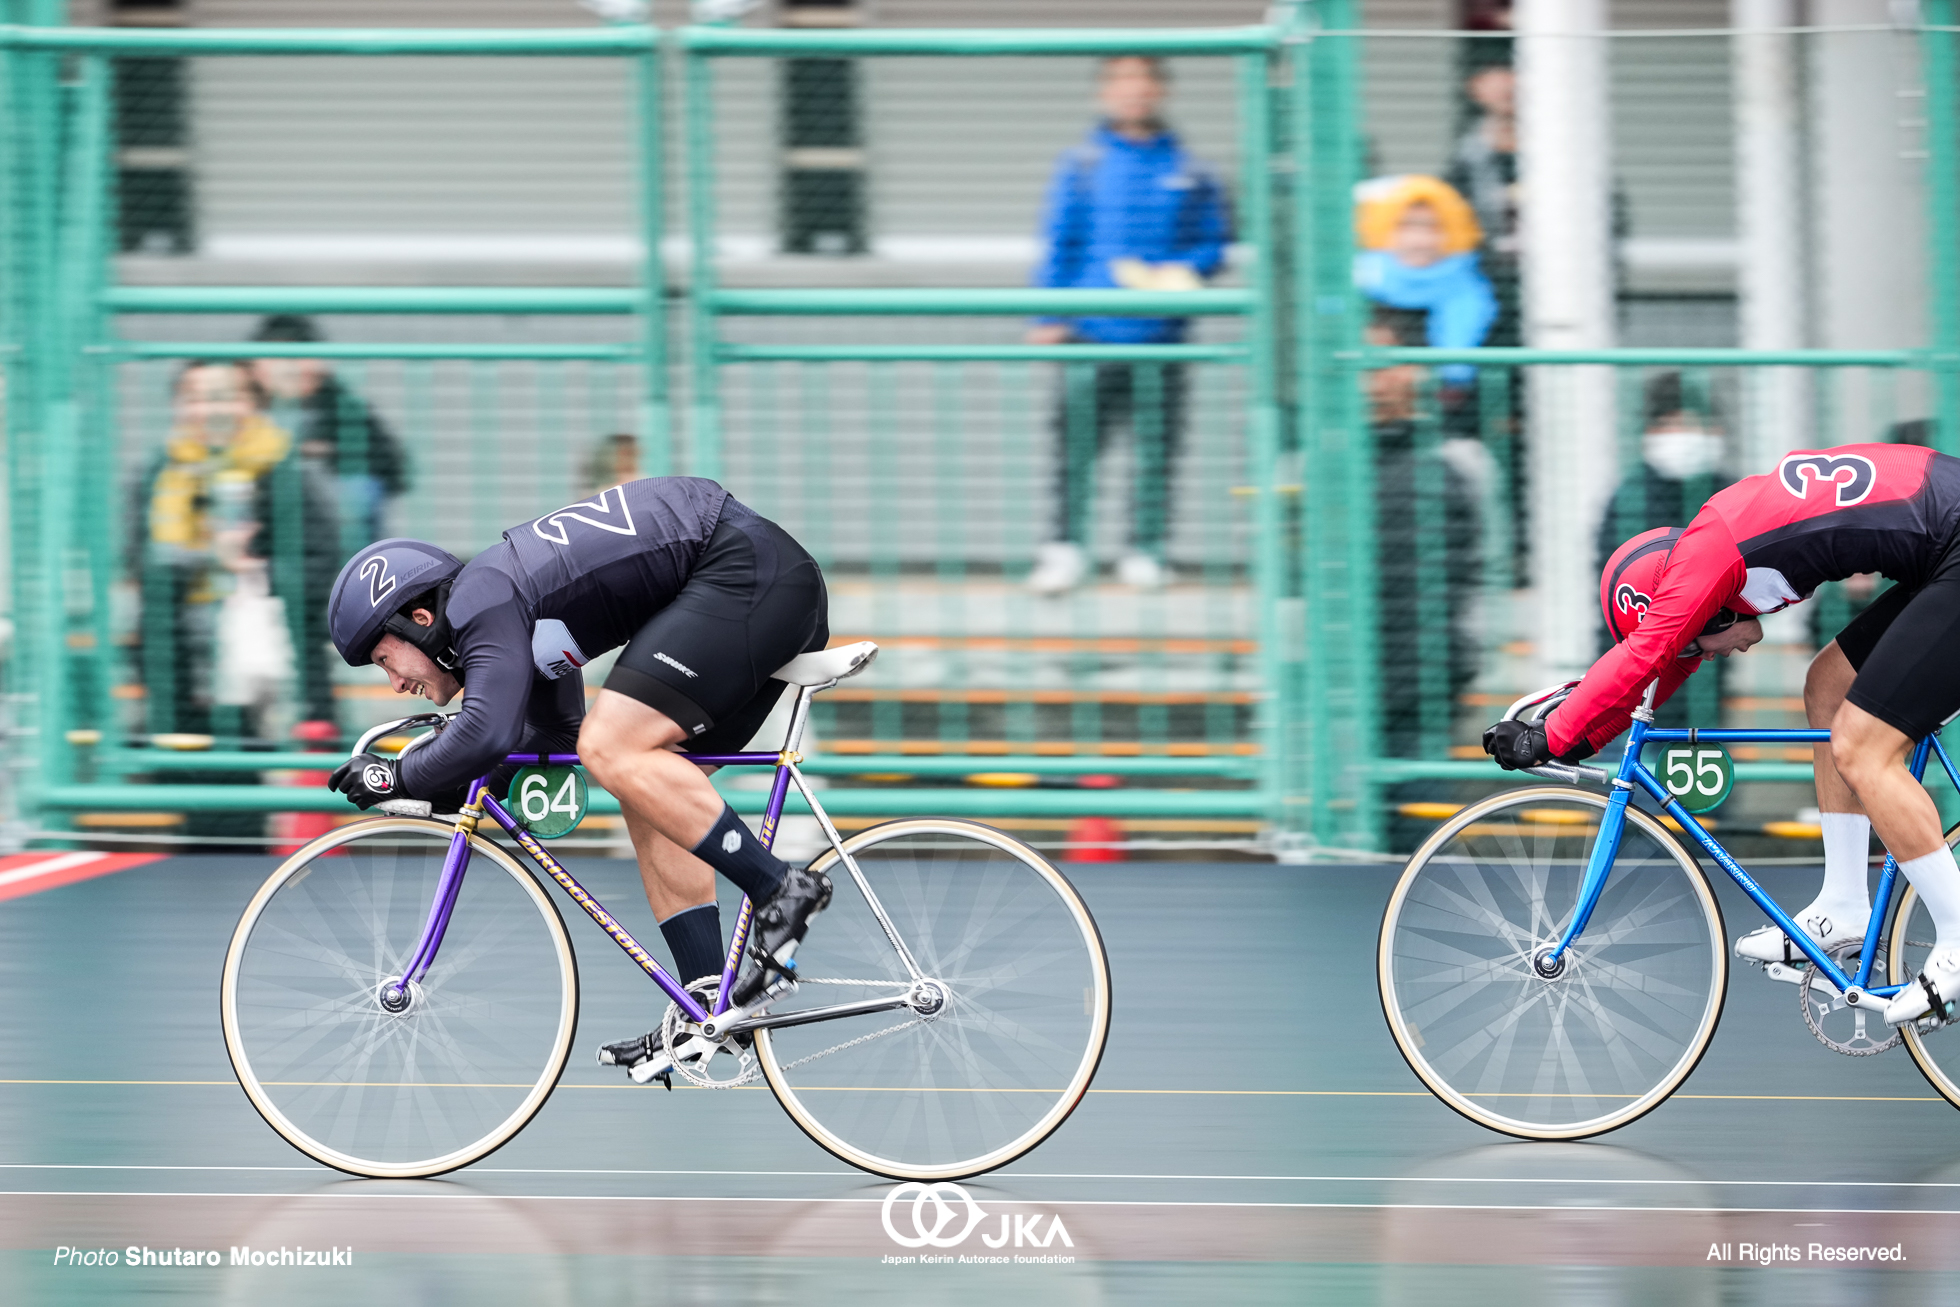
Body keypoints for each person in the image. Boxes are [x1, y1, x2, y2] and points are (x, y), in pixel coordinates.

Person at [321, 478, 834, 1082]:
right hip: (760, 577)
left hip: (744, 567)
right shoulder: (513, 622)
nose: (395, 685)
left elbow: (487, 733)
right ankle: (707, 1006)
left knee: (613, 746)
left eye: (385, 661)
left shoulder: (482, 600)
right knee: (644, 781)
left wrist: (397, 772)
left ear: (420, 619)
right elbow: (552, 739)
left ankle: (780, 889)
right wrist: (439, 779)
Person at [1484, 442, 1960, 1027]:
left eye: (1694, 644)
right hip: (1942, 546)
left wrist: (1548, 737)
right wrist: (1575, 739)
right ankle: (1844, 906)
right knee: (1828, 688)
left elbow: (1647, 653)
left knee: (1863, 746)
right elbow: (1655, 673)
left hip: (1952, 544)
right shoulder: (1708, 569)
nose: (1705, 658)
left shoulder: (1705, 557)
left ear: (1697, 615)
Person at [1024, 54, 1233, 595]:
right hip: (1090, 335)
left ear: (1161, 91)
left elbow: (1214, 244)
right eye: (1121, 82)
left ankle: (1146, 550)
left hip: (1164, 338)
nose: (1133, 92)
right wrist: (1048, 317)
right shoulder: (1083, 164)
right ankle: (1063, 551)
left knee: (1158, 448)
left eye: (1144, 82)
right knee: (1075, 449)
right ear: (1104, 93)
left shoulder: (1192, 169)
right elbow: (1060, 244)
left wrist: (1183, 270)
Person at [137, 359, 339, 739]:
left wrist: (252, 571)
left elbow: (325, 562)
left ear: (254, 403)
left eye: (226, 397)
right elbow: (141, 560)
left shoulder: (288, 471)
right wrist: (207, 559)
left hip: (277, 666)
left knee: (280, 780)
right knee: (190, 778)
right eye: (194, 399)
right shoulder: (160, 473)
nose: (210, 410)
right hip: (182, 667)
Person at [1592, 372, 1732, 729]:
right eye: (1672, 424)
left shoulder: (1730, 495)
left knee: (1704, 771)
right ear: (1651, 431)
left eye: (1694, 423)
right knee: (1626, 774)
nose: (1684, 435)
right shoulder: (1630, 497)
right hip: (1632, 670)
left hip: (1706, 676)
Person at [250, 314, 410, 551]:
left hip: (331, 535)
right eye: (276, 357)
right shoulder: (245, 410)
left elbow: (392, 467)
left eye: (296, 357)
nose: (288, 369)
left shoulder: (343, 409)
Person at [1353, 175, 1497, 391]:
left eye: (1434, 228)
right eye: (1406, 226)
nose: (1420, 241)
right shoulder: (1358, 288)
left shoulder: (1483, 294)